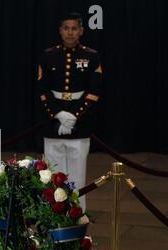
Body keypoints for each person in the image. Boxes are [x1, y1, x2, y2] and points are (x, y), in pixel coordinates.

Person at [37, 12, 102, 211]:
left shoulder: (91, 56)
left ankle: (76, 216)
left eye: (74, 28)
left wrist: (73, 116)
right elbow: (42, 90)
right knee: (52, 177)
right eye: (66, 28)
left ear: (81, 31)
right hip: (53, 123)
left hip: (79, 124)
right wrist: (58, 115)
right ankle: (53, 218)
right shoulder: (48, 55)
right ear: (60, 31)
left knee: (77, 178)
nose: (70, 32)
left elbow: (94, 91)